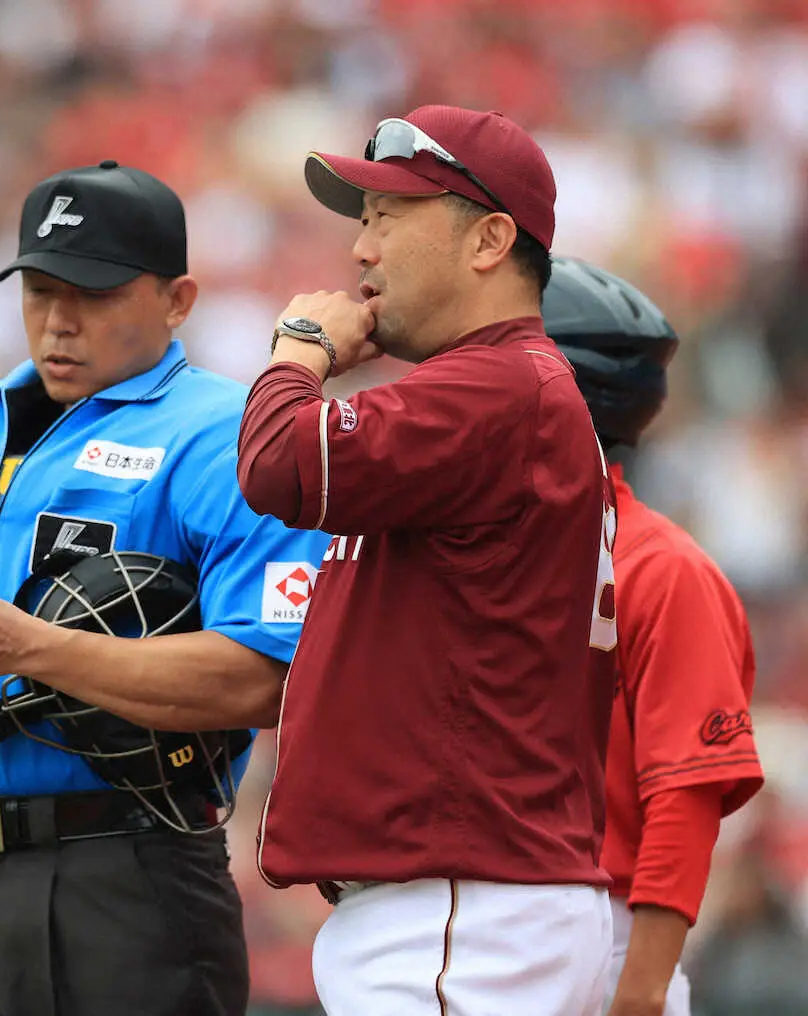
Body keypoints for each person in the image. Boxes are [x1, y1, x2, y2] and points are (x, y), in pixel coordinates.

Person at [0, 160, 330, 1016]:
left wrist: (30, 648)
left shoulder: (233, 438)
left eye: (94, 295)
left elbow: (270, 681)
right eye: (40, 290)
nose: (59, 322)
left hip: (130, 871)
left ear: (178, 300)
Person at [235, 105, 618, 1016]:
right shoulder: (504, 386)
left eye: (388, 219)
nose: (360, 252)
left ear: (489, 240)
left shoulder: (497, 383)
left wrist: (300, 353)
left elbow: (279, 462)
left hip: (458, 904)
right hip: (467, 901)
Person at [542, 257, 765, 1016]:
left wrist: (637, 993)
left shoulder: (660, 566)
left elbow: (687, 792)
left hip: (605, 937)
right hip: (474, 927)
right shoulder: (458, 551)